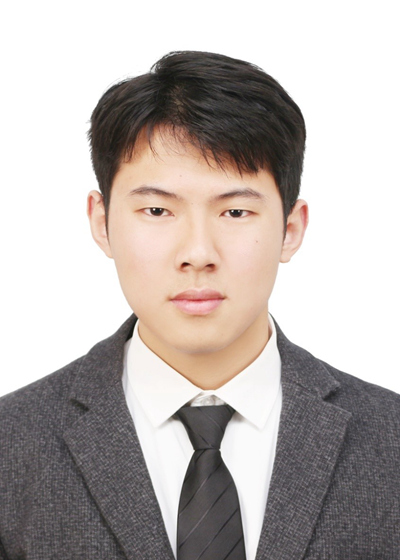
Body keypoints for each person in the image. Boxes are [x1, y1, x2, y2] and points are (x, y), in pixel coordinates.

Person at [0, 51, 399, 560]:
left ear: (291, 229)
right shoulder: (12, 443)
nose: (197, 253)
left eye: (235, 211)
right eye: (157, 210)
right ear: (101, 222)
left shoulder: (390, 440)